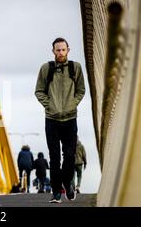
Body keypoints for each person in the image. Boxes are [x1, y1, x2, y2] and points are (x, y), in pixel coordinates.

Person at [35, 37, 85, 203]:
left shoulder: (75, 68)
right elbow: (39, 91)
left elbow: (81, 90)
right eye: (58, 50)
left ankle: (68, 184)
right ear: (53, 51)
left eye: (63, 49)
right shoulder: (46, 68)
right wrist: (50, 106)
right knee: (54, 156)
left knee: (69, 156)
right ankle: (56, 192)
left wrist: (72, 104)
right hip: (52, 119)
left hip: (70, 118)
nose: (61, 53)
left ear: (68, 50)